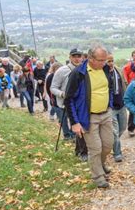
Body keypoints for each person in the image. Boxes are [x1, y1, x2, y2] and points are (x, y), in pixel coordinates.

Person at [65, 45, 114, 188]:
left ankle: (100, 164)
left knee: (108, 145)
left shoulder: (105, 69)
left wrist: (109, 104)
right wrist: (74, 122)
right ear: (90, 58)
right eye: (100, 60)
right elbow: (69, 99)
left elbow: (108, 88)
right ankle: (98, 176)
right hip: (88, 117)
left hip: (106, 114)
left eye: (105, 60)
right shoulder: (78, 73)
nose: (104, 63)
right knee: (95, 148)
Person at [51, 48, 86, 159]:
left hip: (81, 104)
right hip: (67, 103)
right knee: (77, 126)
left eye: (79, 56)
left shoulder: (86, 70)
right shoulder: (61, 71)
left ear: (82, 57)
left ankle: (79, 150)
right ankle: (82, 152)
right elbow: (53, 87)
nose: (77, 58)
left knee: (80, 127)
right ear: (70, 57)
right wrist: (62, 94)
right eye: (74, 56)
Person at [107, 53, 127, 162]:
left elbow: (124, 84)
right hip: (110, 108)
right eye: (108, 61)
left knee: (123, 128)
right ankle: (117, 153)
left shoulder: (118, 70)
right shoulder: (103, 73)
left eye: (112, 61)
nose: (110, 63)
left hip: (122, 104)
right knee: (115, 131)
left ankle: (112, 142)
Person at [123, 50, 135, 137]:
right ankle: (131, 129)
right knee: (132, 110)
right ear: (132, 56)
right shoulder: (128, 66)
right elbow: (125, 77)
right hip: (132, 88)